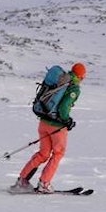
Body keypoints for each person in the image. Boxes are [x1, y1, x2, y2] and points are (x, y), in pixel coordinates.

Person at [13, 62, 86, 194]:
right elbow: (64, 108)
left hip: (43, 122)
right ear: (81, 77)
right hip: (57, 127)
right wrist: (67, 121)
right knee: (58, 154)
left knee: (43, 153)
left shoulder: (61, 81)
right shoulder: (73, 88)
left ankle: (22, 180)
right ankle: (44, 183)